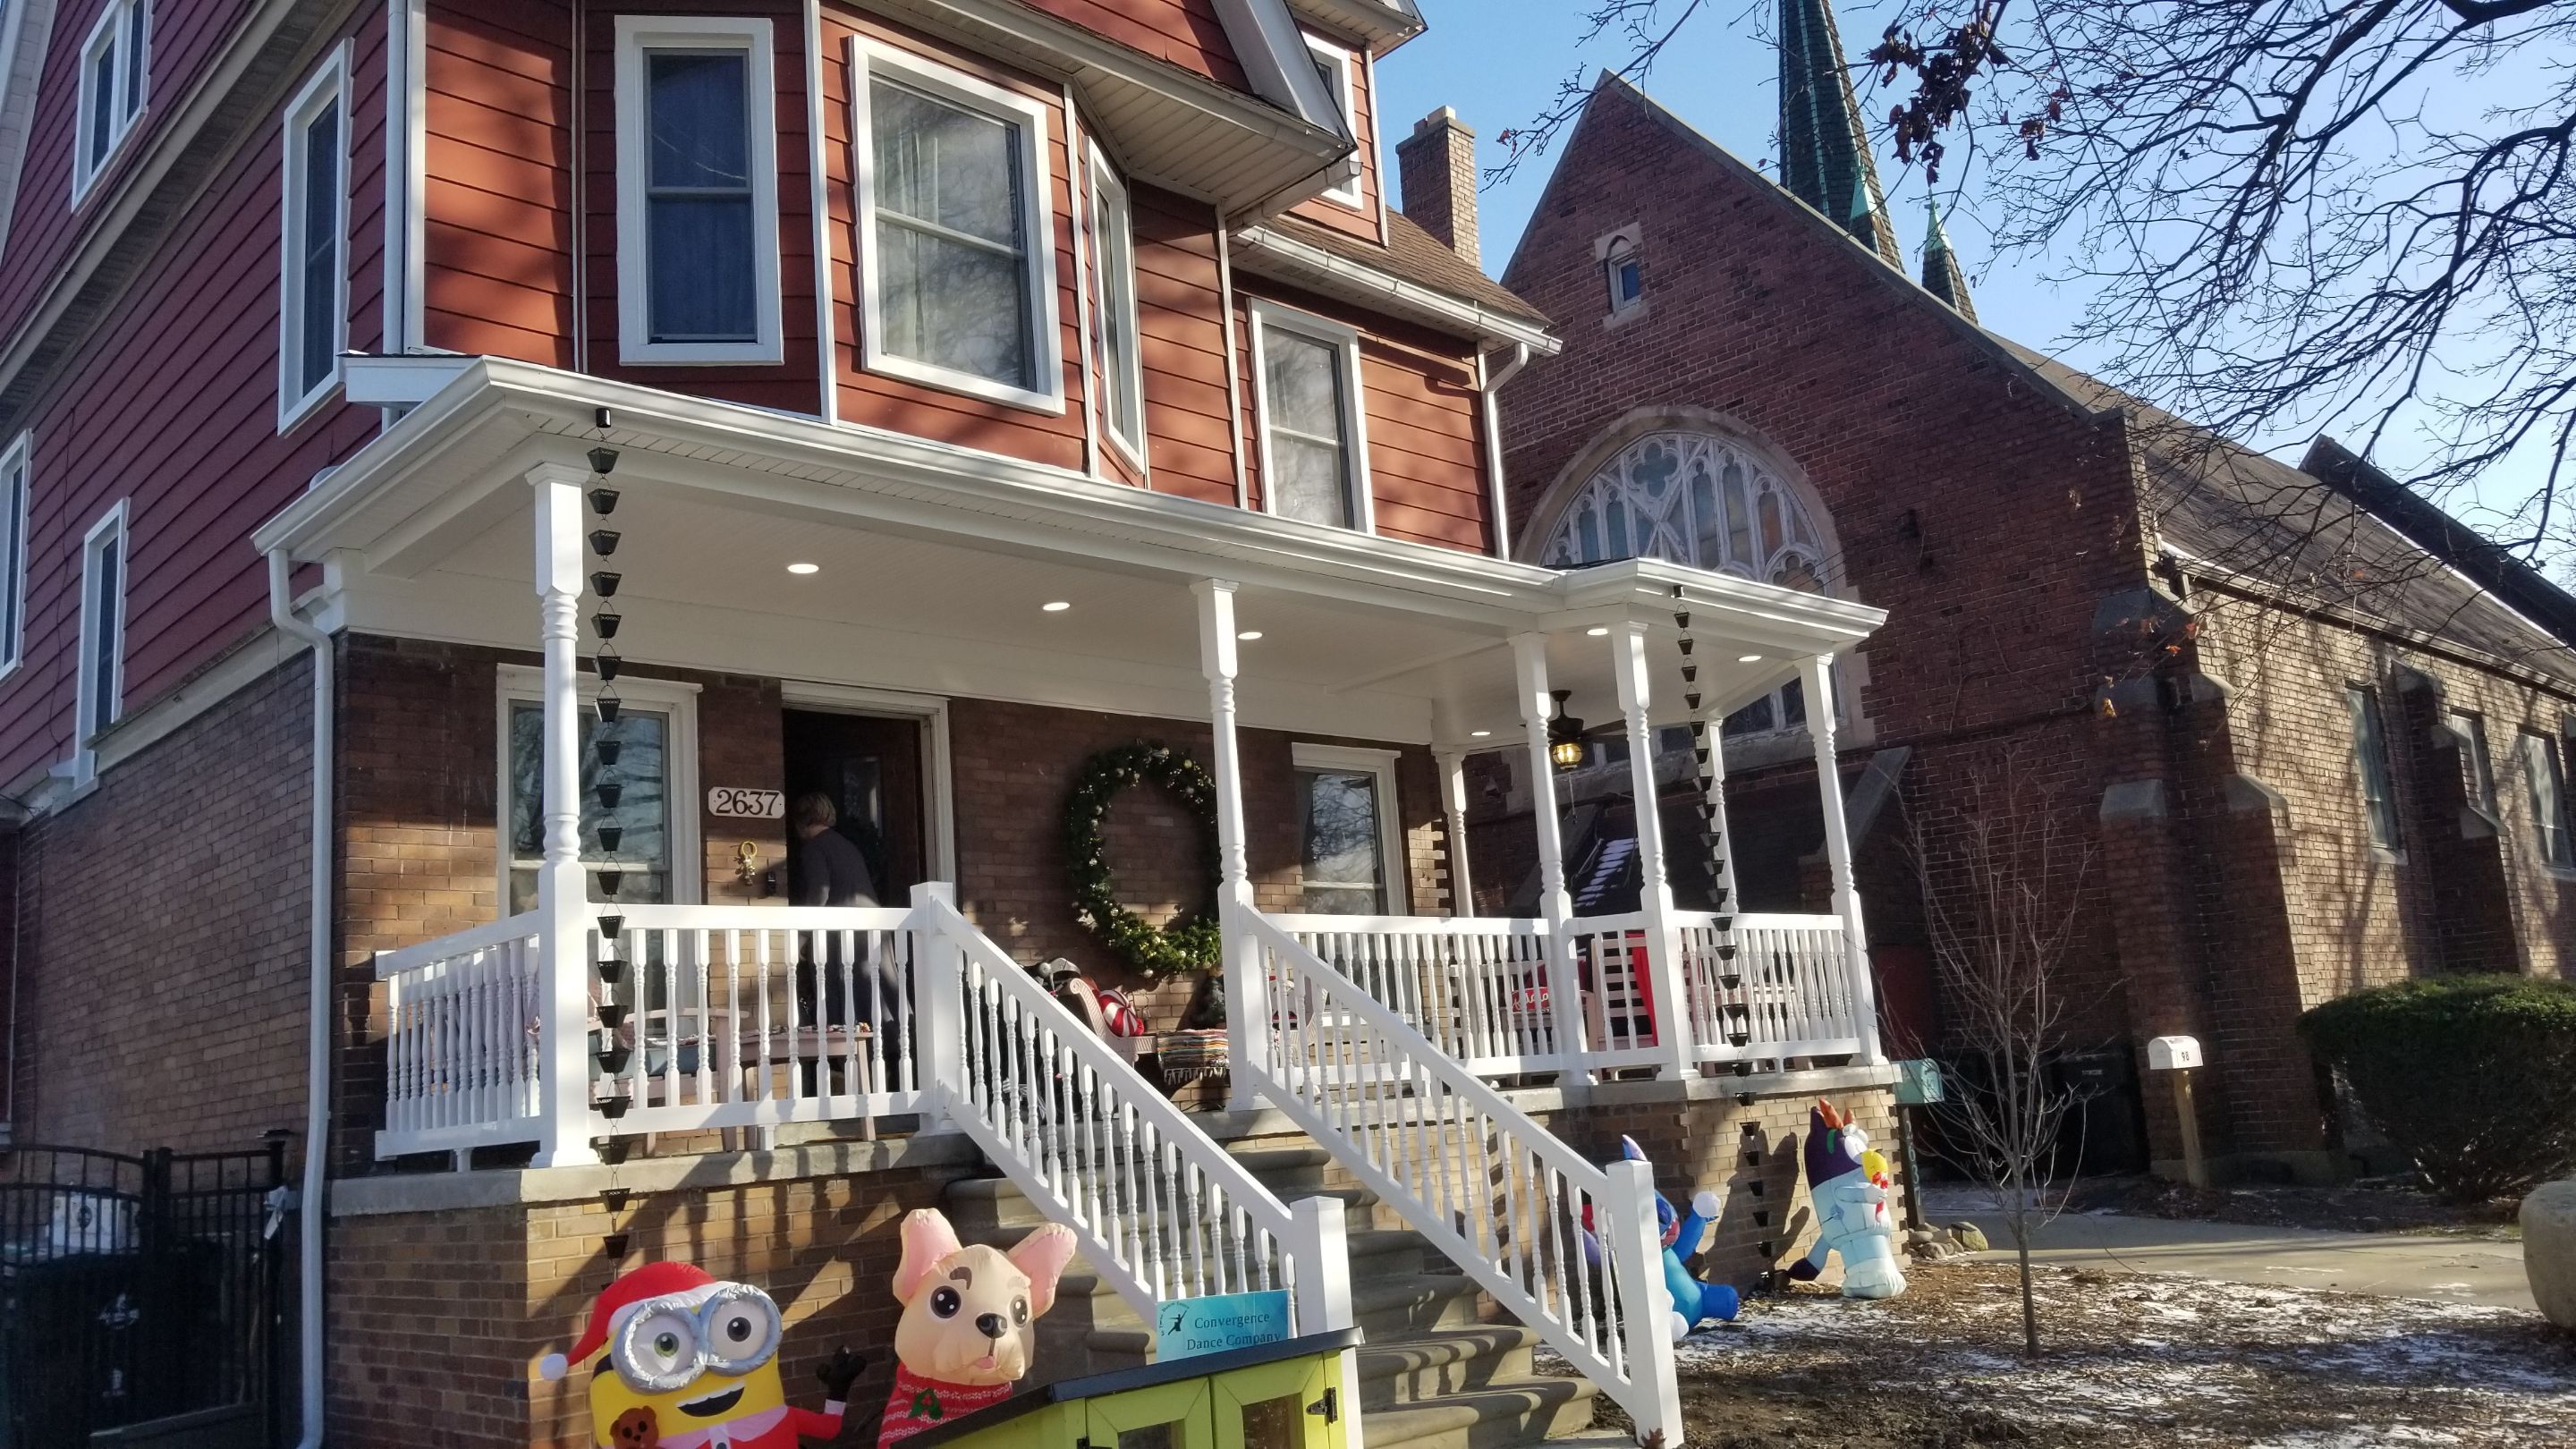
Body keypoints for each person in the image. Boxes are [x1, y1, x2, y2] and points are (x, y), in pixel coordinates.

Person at [790, 793, 890, 1095]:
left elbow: (819, 895)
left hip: (845, 941)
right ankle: (877, 1081)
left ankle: (843, 1085)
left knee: (842, 1008)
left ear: (801, 821)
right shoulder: (847, 846)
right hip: (872, 936)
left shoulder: (814, 849)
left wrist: (800, 939)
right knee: (873, 1005)